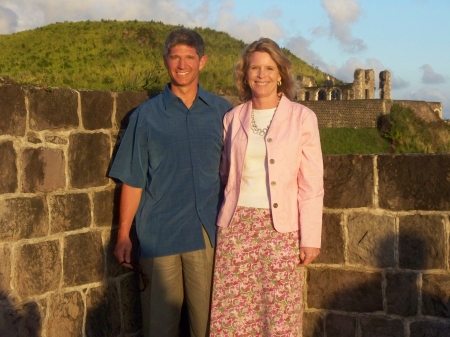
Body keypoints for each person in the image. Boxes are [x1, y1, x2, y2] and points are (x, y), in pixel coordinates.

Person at [109, 28, 233, 337]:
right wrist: (124, 234)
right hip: (158, 236)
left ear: (202, 61)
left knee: (209, 327)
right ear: (166, 60)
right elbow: (134, 178)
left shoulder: (224, 113)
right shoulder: (146, 116)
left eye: (189, 57)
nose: (182, 65)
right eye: (175, 57)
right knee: (158, 328)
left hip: (206, 235)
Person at [210, 38, 324, 336]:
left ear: (281, 74)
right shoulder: (233, 118)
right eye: (254, 68)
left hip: (281, 230)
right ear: (245, 74)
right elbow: (226, 174)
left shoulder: (302, 118)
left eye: (269, 68)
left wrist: (310, 237)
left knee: (280, 316)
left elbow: (311, 183)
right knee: (233, 315)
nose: (261, 75)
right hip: (236, 228)